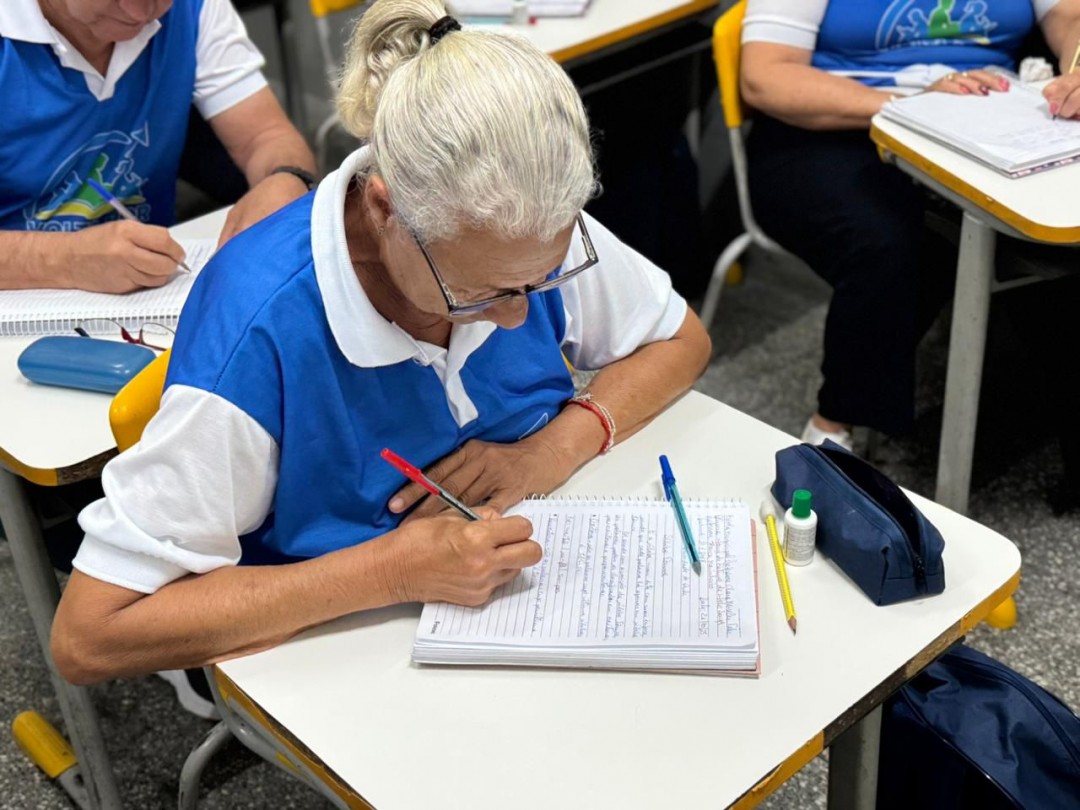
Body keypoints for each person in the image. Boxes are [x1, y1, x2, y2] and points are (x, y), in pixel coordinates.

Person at [48, 0, 712, 687]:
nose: (516, 320)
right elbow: (91, 635)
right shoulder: (261, 331)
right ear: (384, 208)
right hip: (353, 652)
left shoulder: (518, 223)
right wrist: (391, 570)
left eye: (544, 282)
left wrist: (553, 449)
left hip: (530, 590)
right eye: (481, 294)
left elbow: (681, 339)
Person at [740, 0, 1080, 448]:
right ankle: (837, 423)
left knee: (1054, 229)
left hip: (990, 117)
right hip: (839, 120)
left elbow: (1069, 16)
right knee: (893, 242)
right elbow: (765, 77)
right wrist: (914, 105)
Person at [0, 0, 317, 293]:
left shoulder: (192, 9)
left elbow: (266, 136)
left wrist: (286, 178)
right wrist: (64, 260)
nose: (139, 13)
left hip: (153, 290)